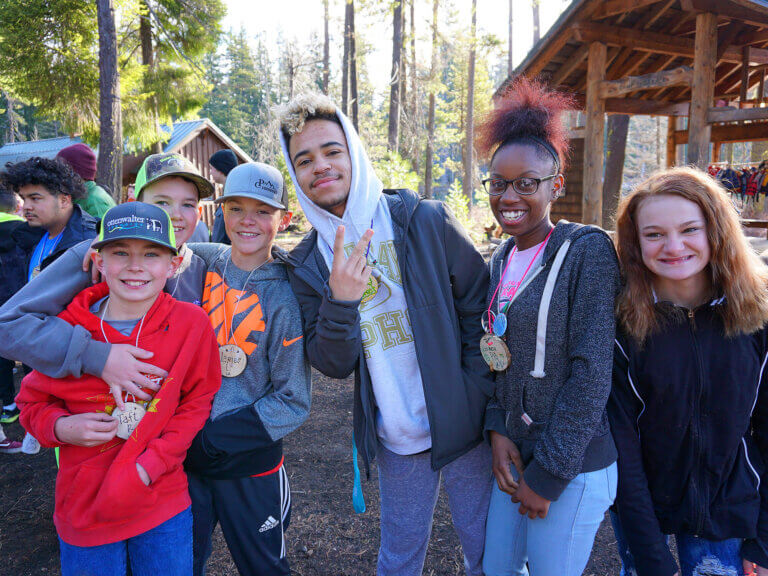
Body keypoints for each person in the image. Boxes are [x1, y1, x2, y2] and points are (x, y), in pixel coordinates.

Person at [277, 93, 493, 576]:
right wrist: (340, 299)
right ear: (295, 175)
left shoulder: (423, 220)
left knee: (488, 552)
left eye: (332, 151)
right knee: (399, 558)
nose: (321, 167)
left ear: (354, 150)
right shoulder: (309, 262)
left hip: (468, 427)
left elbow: (481, 309)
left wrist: (473, 396)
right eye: (304, 160)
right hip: (396, 434)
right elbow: (332, 364)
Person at [16, 201, 221, 575]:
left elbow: (198, 398)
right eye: (120, 252)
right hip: (85, 509)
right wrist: (61, 427)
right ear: (99, 261)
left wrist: (151, 465)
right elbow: (30, 402)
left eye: (152, 253)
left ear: (173, 264)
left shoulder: (192, 325)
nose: (135, 265)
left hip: (160, 500)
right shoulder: (67, 332)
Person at [477, 78, 619, 576]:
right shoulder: (499, 260)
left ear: (555, 185)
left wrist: (551, 473)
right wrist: (498, 429)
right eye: (498, 182)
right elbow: (497, 355)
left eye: (526, 183)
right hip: (516, 456)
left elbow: (592, 372)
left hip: (571, 466)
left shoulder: (586, 251)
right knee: (498, 569)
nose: (509, 196)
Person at [609, 167, 768, 576]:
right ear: (635, 241)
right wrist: (650, 556)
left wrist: (764, 539)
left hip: (728, 505)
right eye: (655, 234)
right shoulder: (622, 325)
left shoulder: (757, 317)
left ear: (716, 230)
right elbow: (622, 447)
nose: (674, 246)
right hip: (642, 505)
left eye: (689, 229)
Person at [0, 152, 214, 409]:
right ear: (135, 202)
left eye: (187, 204)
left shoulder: (202, 265)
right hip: (95, 429)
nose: (175, 215)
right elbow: (7, 326)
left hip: (172, 432)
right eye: (161, 202)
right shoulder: (93, 258)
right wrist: (97, 356)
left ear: (199, 213)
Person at [184, 162, 311, 576]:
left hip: (248, 465)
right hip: (185, 457)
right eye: (236, 208)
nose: (247, 221)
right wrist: (93, 255)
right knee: (183, 559)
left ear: (284, 219)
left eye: (262, 210)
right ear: (221, 212)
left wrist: (217, 438)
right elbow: (141, 256)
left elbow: (294, 400)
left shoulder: (287, 299)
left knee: (263, 566)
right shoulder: (204, 261)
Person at [4, 156, 99, 453]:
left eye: (35, 197)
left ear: (64, 199)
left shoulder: (87, 243)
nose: (26, 206)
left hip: (79, 363)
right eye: (23, 198)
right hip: (44, 355)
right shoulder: (34, 236)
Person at [0, 183, 29, 451]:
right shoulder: (26, 231)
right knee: (31, 354)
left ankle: (8, 407)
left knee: (2, 359)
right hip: (24, 302)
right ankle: (35, 405)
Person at [56, 143, 116, 219]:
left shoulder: (94, 199)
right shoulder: (78, 197)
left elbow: (100, 229)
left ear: (76, 174)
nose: (58, 177)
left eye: (62, 171)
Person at [209, 149, 237, 244]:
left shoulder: (233, 198)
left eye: (211, 168)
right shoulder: (226, 194)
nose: (210, 172)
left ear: (220, 169)